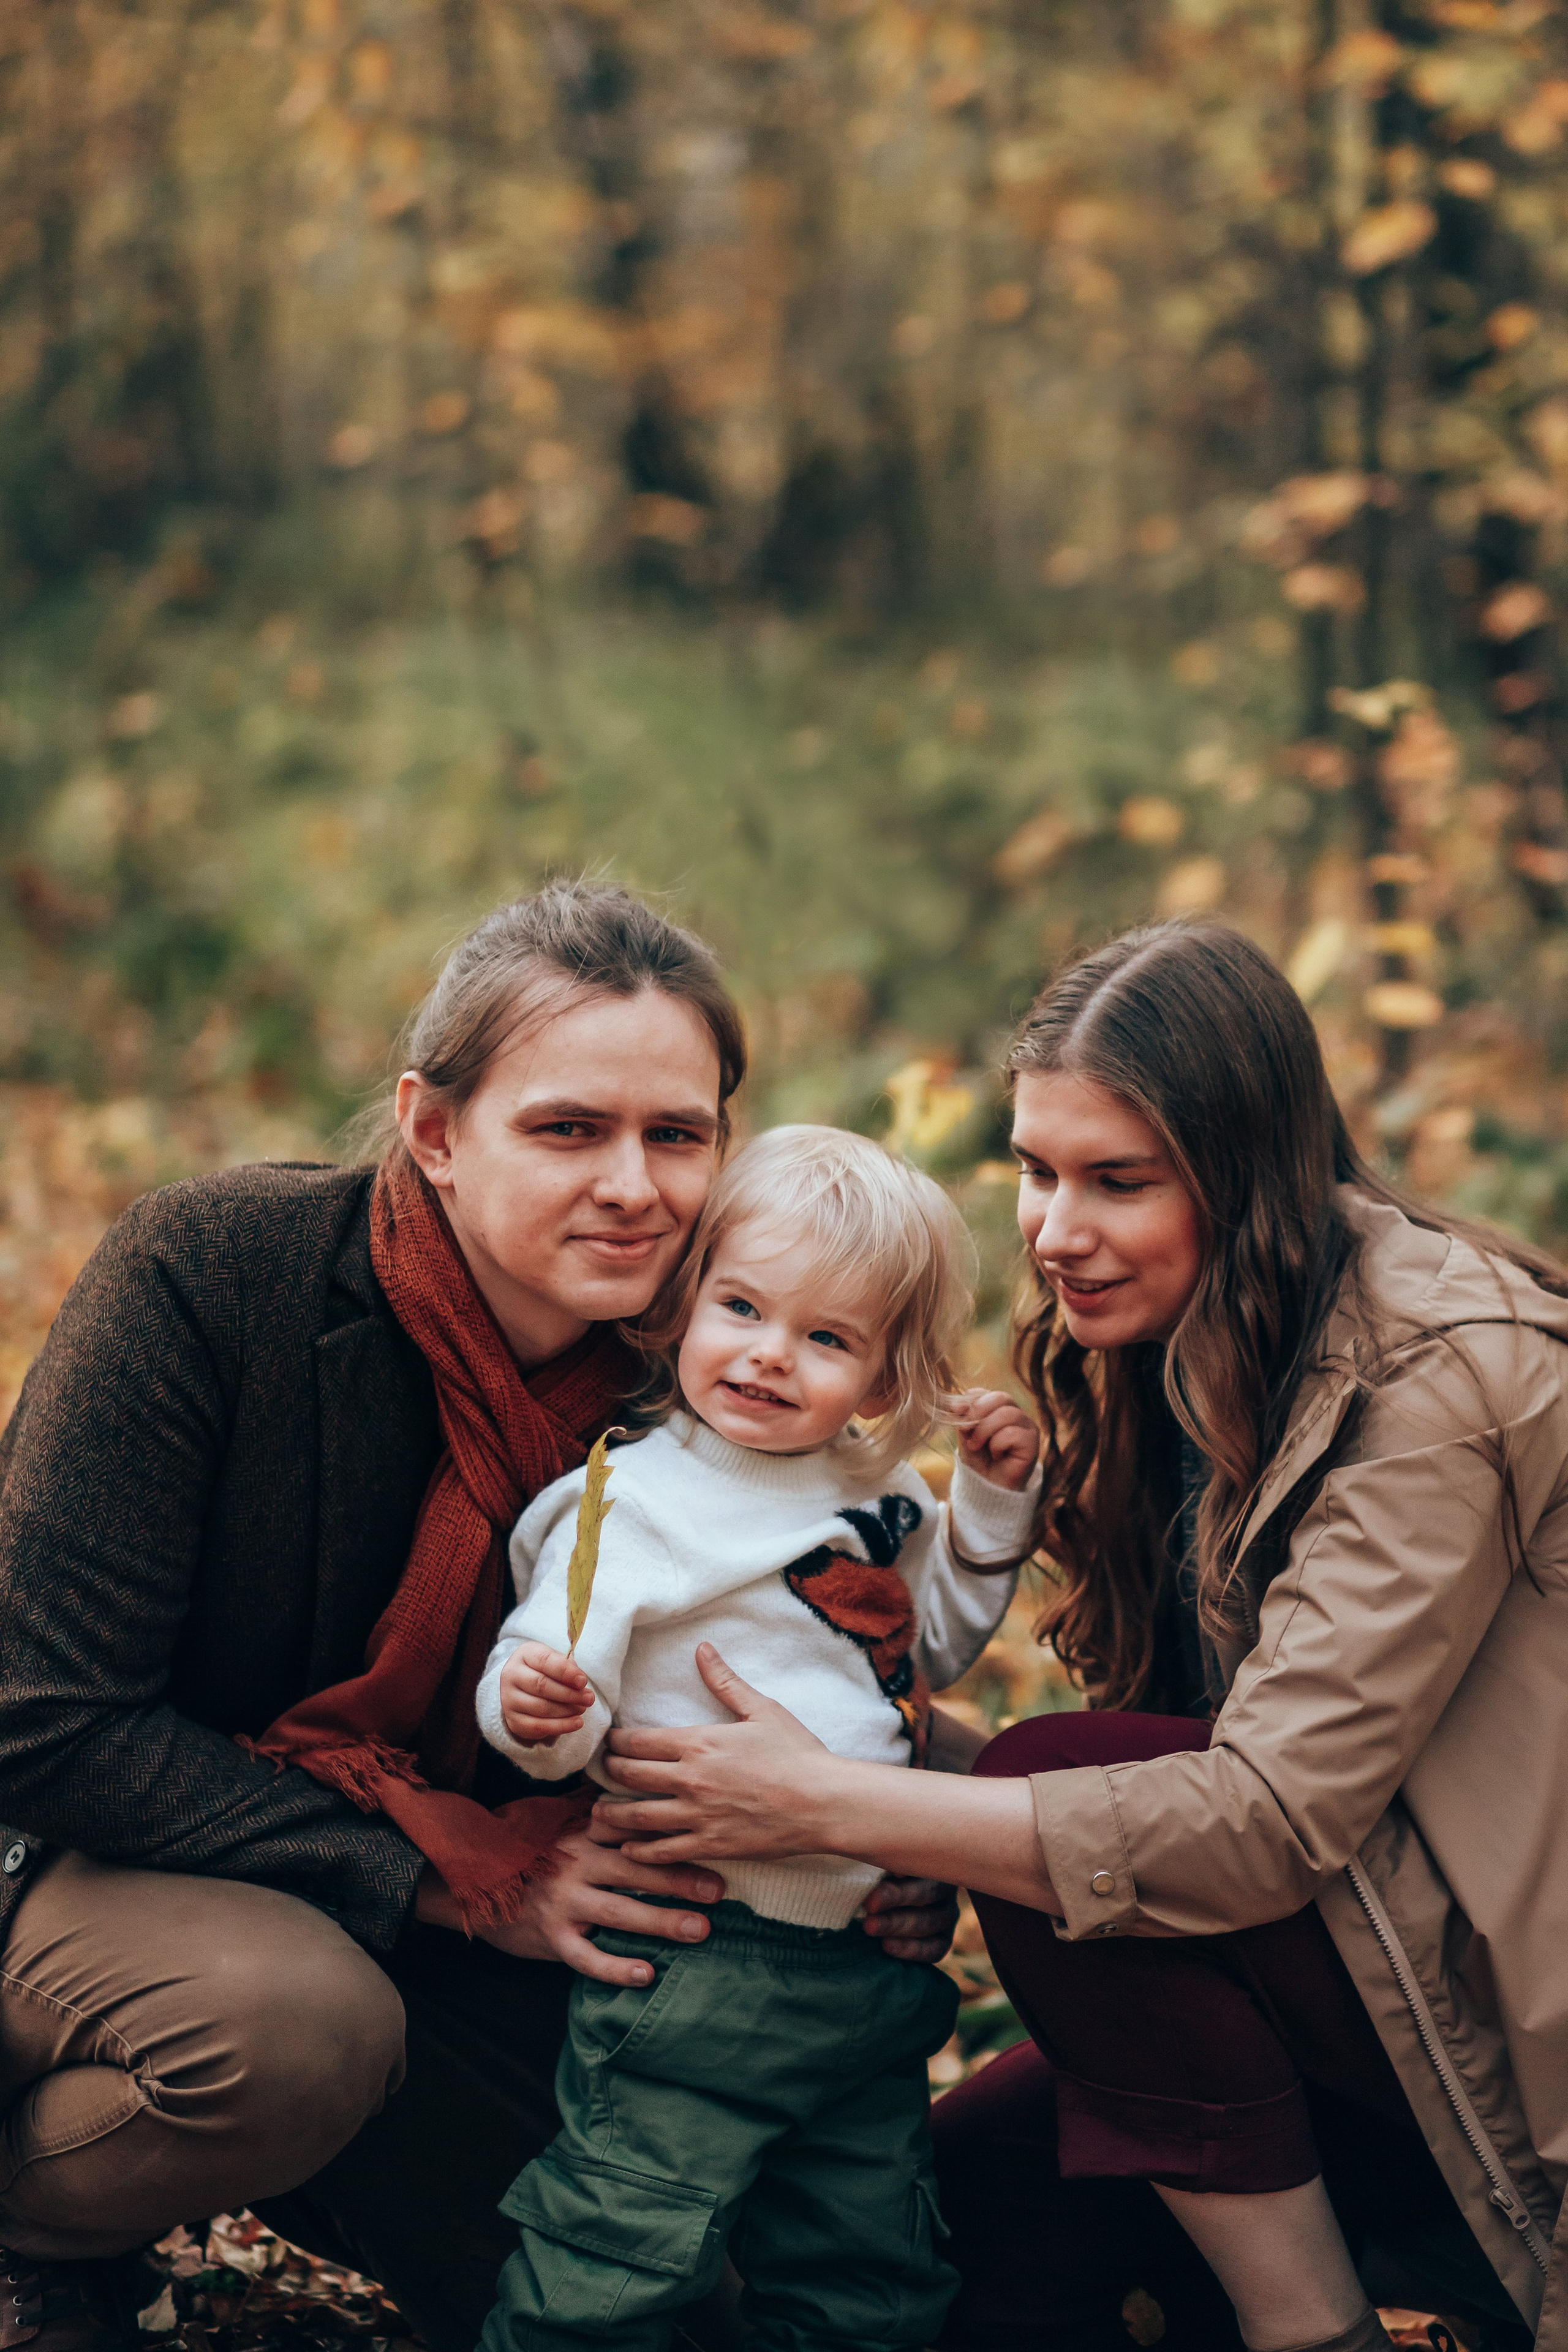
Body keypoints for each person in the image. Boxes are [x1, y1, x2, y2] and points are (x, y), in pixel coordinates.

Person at [0, 884, 956, 2352]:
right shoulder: (216, 1275)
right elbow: (42, 1719)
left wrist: (891, 1834)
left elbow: (826, 1646)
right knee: (295, 2030)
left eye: (676, 1135)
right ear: (434, 1133)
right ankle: (44, 2229)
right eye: (569, 1130)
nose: (634, 1187)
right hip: (99, 1863)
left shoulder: (716, 1374)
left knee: (702, 2290)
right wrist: (437, 1885)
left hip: (484, 1913)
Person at [589, 921, 1568, 2352]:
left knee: (1046, 1779)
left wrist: (853, 1802)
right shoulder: (1177, 1338)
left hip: (1504, 2037)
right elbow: (1165, 1766)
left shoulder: (1441, 1378)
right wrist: (872, 1796)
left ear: (1247, 1170)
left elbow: (1255, 1820)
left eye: (1117, 1180)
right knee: (971, 2195)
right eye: (1035, 1172)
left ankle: (1315, 2331)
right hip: (1356, 1965)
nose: (1052, 1231)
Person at [473, 1126, 1041, 2352]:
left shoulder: (879, 1500)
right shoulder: (627, 1504)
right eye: (742, 1308)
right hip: (692, 1957)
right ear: (682, 1309)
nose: (769, 1356)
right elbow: (544, 1666)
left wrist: (988, 1508)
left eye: (826, 1338)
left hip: (862, 1971)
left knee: (868, 2264)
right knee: (618, 2248)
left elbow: (921, 1650)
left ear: (882, 1382)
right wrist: (538, 1713)